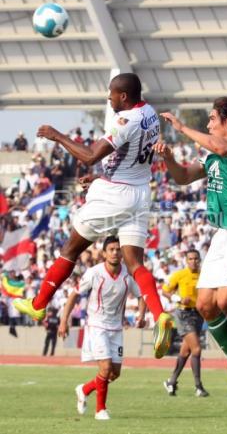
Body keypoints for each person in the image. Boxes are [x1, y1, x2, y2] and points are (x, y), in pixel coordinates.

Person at [14, 72, 172, 359]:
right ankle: (160, 315)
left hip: (115, 195)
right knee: (136, 263)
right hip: (139, 193)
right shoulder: (148, 112)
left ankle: (38, 304)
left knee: (70, 249)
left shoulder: (126, 121)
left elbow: (88, 156)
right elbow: (123, 158)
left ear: (123, 96)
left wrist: (57, 136)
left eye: (111, 93)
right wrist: (100, 178)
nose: (108, 97)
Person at [153, 95, 227, 401]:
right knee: (205, 304)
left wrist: (180, 127)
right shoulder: (211, 157)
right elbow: (182, 178)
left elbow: (219, 146)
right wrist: (168, 158)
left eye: (211, 119)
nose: (207, 125)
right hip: (222, 235)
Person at [58, 235, 146, 420]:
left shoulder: (128, 274)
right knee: (105, 369)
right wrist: (63, 321)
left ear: (122, 253)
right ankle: (100, 410)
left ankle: (84, 389)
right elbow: (74, 295)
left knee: (114, 374)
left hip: (116, 328)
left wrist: (141, 315)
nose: (115, 252)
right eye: (111, 249)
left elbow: (141, 295)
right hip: (97, 325)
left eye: (118, 249)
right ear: (104, 253)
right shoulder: (94, 273)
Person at [162, 249, 209, 397]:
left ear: (199, 260)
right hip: (184, 313)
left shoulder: (204, 275)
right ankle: (198, 386)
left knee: (185, 351)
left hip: (198, 314)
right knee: (196, 350)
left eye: (196, 259)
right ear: (186, 260)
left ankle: (171, 381)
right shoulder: (180, 275)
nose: (193, 261)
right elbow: (165, 291)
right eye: (190, 259)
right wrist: (179, 299)